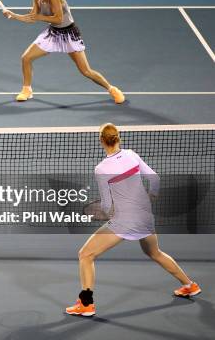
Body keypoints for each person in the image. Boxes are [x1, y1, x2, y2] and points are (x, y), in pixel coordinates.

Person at [65, 123, 201, 316]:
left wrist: (108, 214)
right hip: (145, 216)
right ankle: (190, 285)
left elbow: (105, 204)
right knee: (155, 252)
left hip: (125, 221)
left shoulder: (102, 168)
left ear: (101, 141)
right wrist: (151, 196)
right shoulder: (132, 155)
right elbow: (154, 179)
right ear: (118, 138)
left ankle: (86, 304)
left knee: (85, 255)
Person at [2, 0, 125, 104]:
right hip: (53, 34)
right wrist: (12, 15)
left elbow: (59, 19)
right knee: (26, 58)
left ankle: (112, 89)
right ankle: (27, 90)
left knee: (86, 71)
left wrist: (39, 17)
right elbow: (32, 18)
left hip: (69, 34)